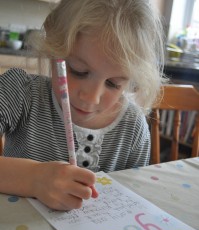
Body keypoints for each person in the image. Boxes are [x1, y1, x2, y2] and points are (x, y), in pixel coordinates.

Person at [0, 0, 165, 211]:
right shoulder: (20, 93)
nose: (91, 98)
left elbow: (133, 204)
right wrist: (33, 179)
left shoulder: (133, 127)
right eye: (78, 70)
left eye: (113, 84)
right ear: (53, 43)